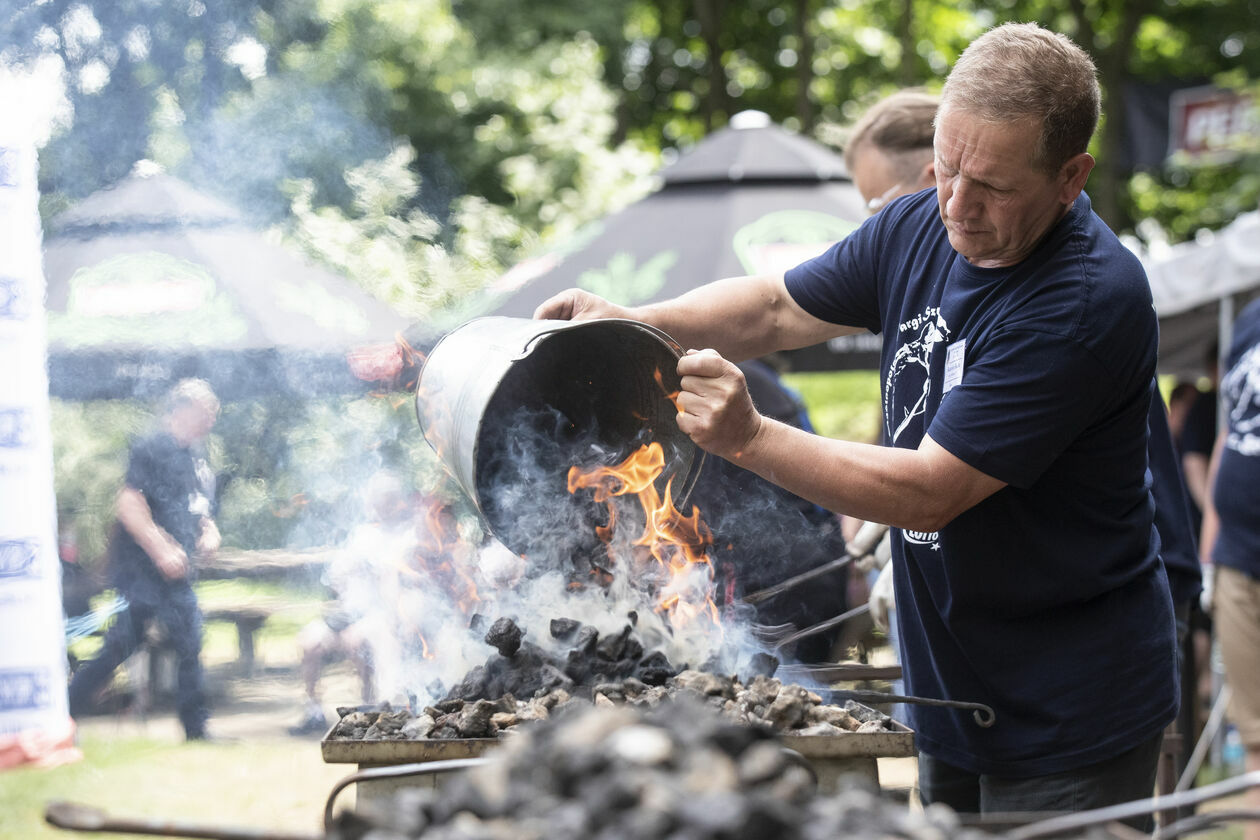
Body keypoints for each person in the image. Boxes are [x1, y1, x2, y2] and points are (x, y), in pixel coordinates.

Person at [537, 23, 1178, 824]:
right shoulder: (918, 224)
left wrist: (751, 437)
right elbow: (773, 306)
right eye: (946, 167)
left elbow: (930, 492)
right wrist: (634, 324)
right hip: (952, 682)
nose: (958, 204)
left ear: (1071, 177)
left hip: (1069, 700)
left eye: (994, 187)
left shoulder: (1083, 301)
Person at [68, 379, 221, 742]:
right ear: (182, 410)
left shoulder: (196, 457)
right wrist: (161, 548)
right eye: (206, 413)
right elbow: (129, 503)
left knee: (189, 641)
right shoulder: (151, 448)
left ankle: (196, 730)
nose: (211, 421)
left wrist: (209, 531)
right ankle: (66, 709)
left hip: (177, 573)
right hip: (141, 571)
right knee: (122, 644)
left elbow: (200, 508)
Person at [289, 470, 416, 735]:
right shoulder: (361, 534)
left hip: (380, 614)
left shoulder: (406, 536)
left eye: (387, 499)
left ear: (396, 501)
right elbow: (336, 576)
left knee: (356, 641)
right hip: (347, 611)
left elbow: (397, 586)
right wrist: (345, 573)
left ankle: (368, 710)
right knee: (308, 641)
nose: (381, 505)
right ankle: (313, 711)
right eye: (377, 499)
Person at [1200, 298, 1260, 840]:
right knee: (1256, 736)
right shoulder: (1250, 320)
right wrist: (1210, 550)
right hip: (1238, 559)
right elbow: (1230, 430)